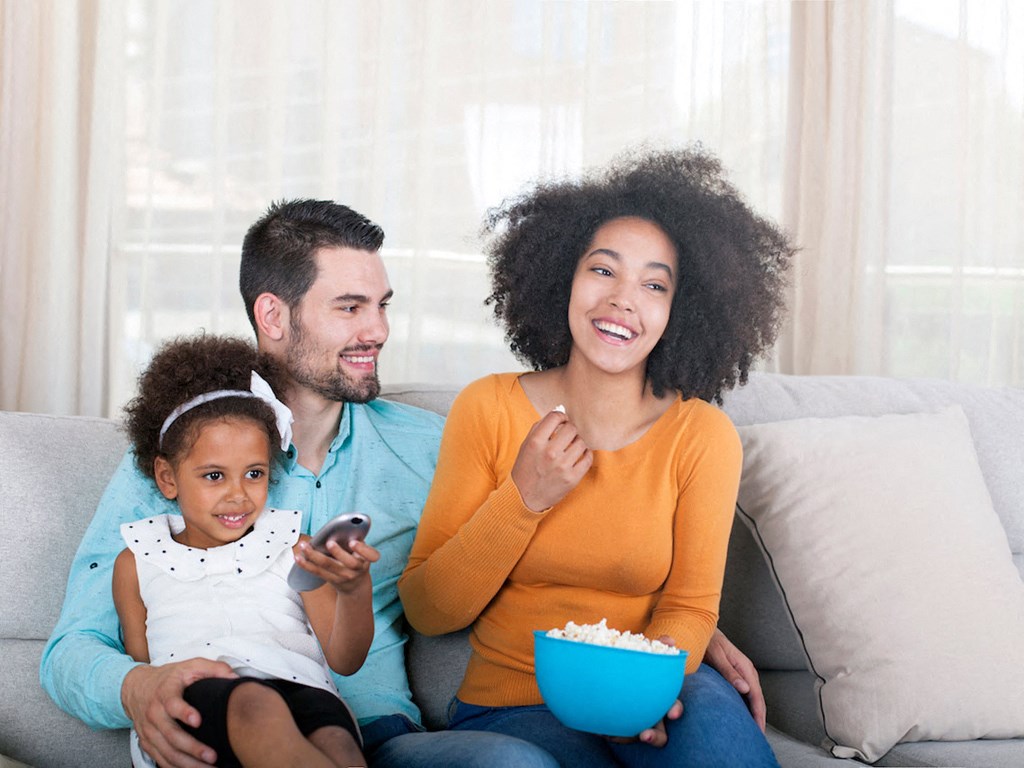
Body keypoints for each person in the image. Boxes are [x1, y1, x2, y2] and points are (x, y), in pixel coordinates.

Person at [41, 196, 765, 768]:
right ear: (273, 315)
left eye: (383, 305)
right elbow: (70, 647)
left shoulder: (427, 444)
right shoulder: (180, 460)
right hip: (234, 721)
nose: (379, 331)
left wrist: (680, 633)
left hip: (385, 738)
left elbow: (560, 541)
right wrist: (134, 688)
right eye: (350, 307)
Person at [398, 146, 794, 766]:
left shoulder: (703, 436)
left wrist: (641, 689)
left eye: (655, 284)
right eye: (603, 270)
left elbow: (690, 607)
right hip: (518, 704)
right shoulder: (489, 409)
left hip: (659, 685)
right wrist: (524, 500)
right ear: (564, 277)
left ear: (681, 311)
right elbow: (428, 609)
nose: (624, 299)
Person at [113, 334, 375, 768]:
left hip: (302, 691)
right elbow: (144, 668)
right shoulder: (138, 560)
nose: (238, 495)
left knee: (338, 742)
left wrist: (353, 591)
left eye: (253, 473)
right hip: (200, 702)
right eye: (214, 476)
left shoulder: (294, 545)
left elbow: (346, 660)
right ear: (167, 477)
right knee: (255, 703)